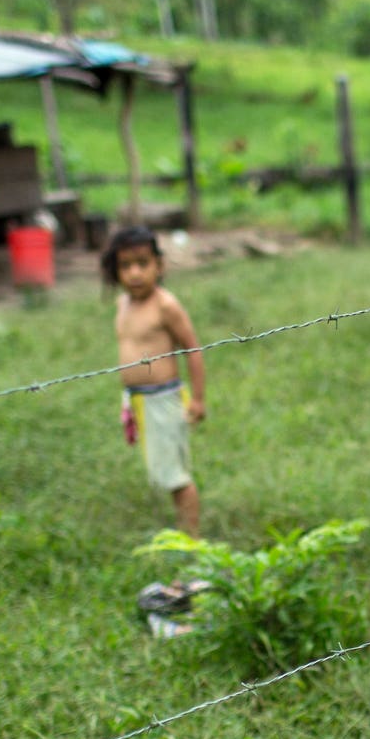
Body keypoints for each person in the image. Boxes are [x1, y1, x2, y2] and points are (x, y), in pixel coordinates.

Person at [103, 226, 206, 537]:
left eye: (142, 263)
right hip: (139, 399)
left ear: (159, 266)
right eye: (125, 265)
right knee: (163, 470)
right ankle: (183, 534)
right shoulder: (123, 303)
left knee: (176, 478)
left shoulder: (165, 305)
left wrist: (198, 399)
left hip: (164, 399)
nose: (134, 273)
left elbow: (192, 348)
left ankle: (191, 542)